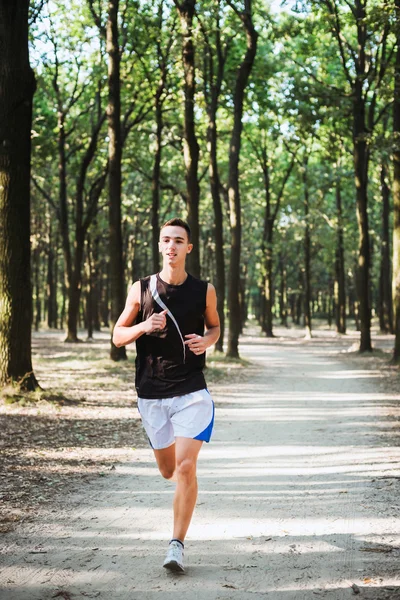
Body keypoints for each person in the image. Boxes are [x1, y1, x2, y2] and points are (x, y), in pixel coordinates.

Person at [113, 217, 220, 573]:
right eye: (166, 240)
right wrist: (145, 325)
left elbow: (215, 325)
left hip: (191, 391)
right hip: (151, 392)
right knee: (168, 470)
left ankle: (176, 545)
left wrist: (208, 341)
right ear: (159, 246)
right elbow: (117, 336)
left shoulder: (204, 290)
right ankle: (182, 485)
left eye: (178, 240)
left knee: (187, 466)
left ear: (189, 248)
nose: (171, 246)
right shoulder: (140, 289)